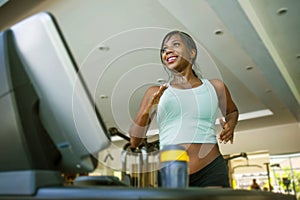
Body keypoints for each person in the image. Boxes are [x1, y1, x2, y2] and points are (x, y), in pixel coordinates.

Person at [129, 30, 239, 187]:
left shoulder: (215, 87)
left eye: (175, 44)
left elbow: (232, 112)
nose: (168, 51)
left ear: (192, 52)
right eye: (164, 49)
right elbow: (134, 141)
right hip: (170, 172)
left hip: (211, 168)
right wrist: (149, 108)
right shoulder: (155, 92)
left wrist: (231, 124)